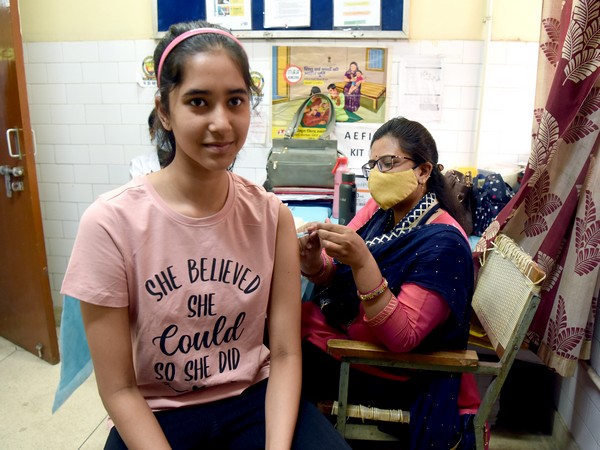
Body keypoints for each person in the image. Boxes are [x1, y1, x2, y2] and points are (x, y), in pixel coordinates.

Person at [61, 20, 350, 450]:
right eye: (198, 102)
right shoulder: (110, 223)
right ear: (165, 110)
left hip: (255, 402)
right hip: (158, 414)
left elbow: (286, 354)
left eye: (235, 101)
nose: (222, 123)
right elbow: (119, 389)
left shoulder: (270, 216)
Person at [298, 117, 481, 449]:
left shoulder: (444, 245)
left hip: (390, 370)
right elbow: (335, 268)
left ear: (424, 171)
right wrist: (313, 263)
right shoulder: (381, 211)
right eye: (373, 165)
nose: (378, 174)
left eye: (388, 163)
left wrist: (363, 261)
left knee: (275, 353)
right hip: (352, 341)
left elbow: (404, 337)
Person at [129, 108, 171, 178]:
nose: (168, 135)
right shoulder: (139, 164)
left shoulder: (189, 162)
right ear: (152, 132)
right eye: (162, 129)